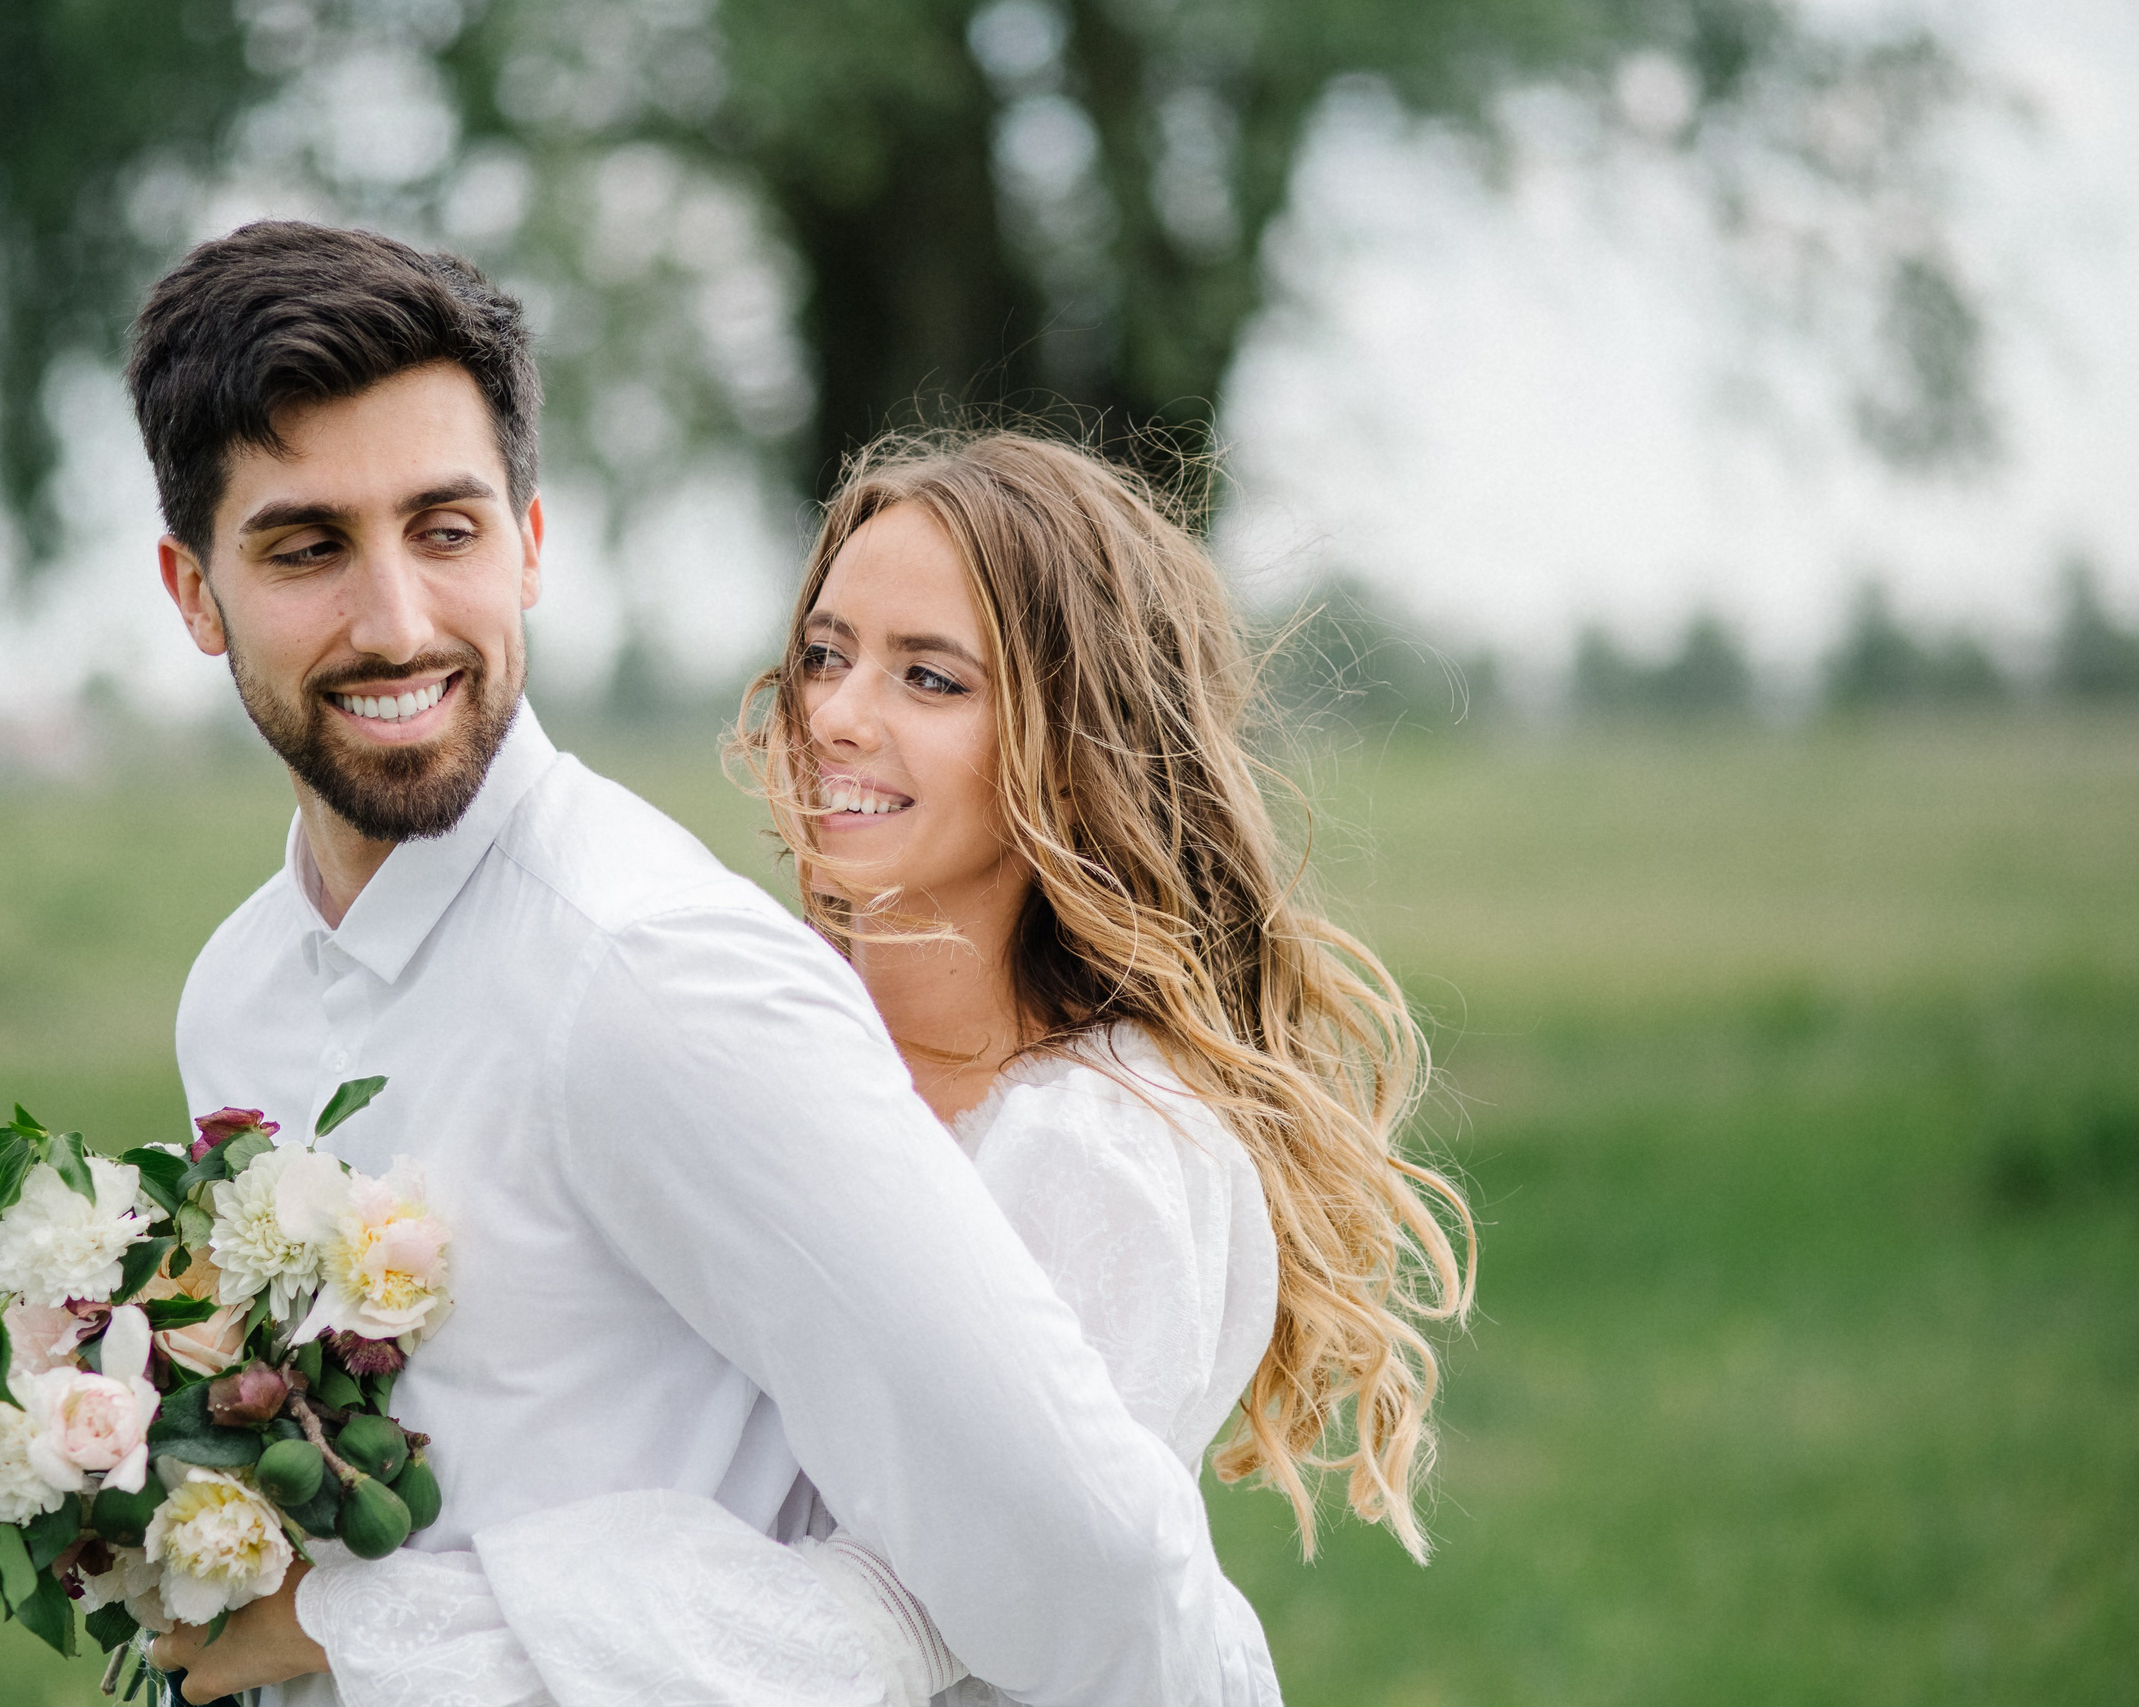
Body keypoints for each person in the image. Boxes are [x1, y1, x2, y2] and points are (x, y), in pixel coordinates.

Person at [128, 222, 1256, 1707]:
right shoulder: (237, 990)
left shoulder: (654, 976)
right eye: (307, 545)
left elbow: (1082, 1572)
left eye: (447, 529)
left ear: (530, 544)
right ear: (193, 591)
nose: (396, 618)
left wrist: (350, 1626)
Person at [238, 431, 1475, 1707]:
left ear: (1069, 736)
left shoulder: (1101, 1144)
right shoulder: (742, 1033)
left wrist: (351, 1630)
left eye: (929, 679)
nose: (833, 713)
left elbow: (886, 1625)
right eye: (825, 655)